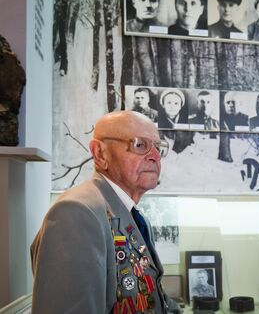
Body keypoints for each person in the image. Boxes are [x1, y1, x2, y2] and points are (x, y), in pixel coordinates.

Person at [30, 111, 180, 313]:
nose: (155, 156)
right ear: (100, 153)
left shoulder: (128, 212)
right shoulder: (76, 213)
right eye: (139, 145)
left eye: (158, 147)